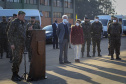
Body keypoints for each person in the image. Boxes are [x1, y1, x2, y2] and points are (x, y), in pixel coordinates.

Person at [8, 11, 27, 81]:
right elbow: (9, 33)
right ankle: (14, 76)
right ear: (18, 15)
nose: (23, 17)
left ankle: (16, 74)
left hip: (21, 45)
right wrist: (12, 43)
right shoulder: (14, 22)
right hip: (16, 45)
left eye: (24, 16)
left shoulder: (23, 23)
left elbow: (24, 32)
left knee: (19, 60)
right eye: (22, 16)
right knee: (16, 60)